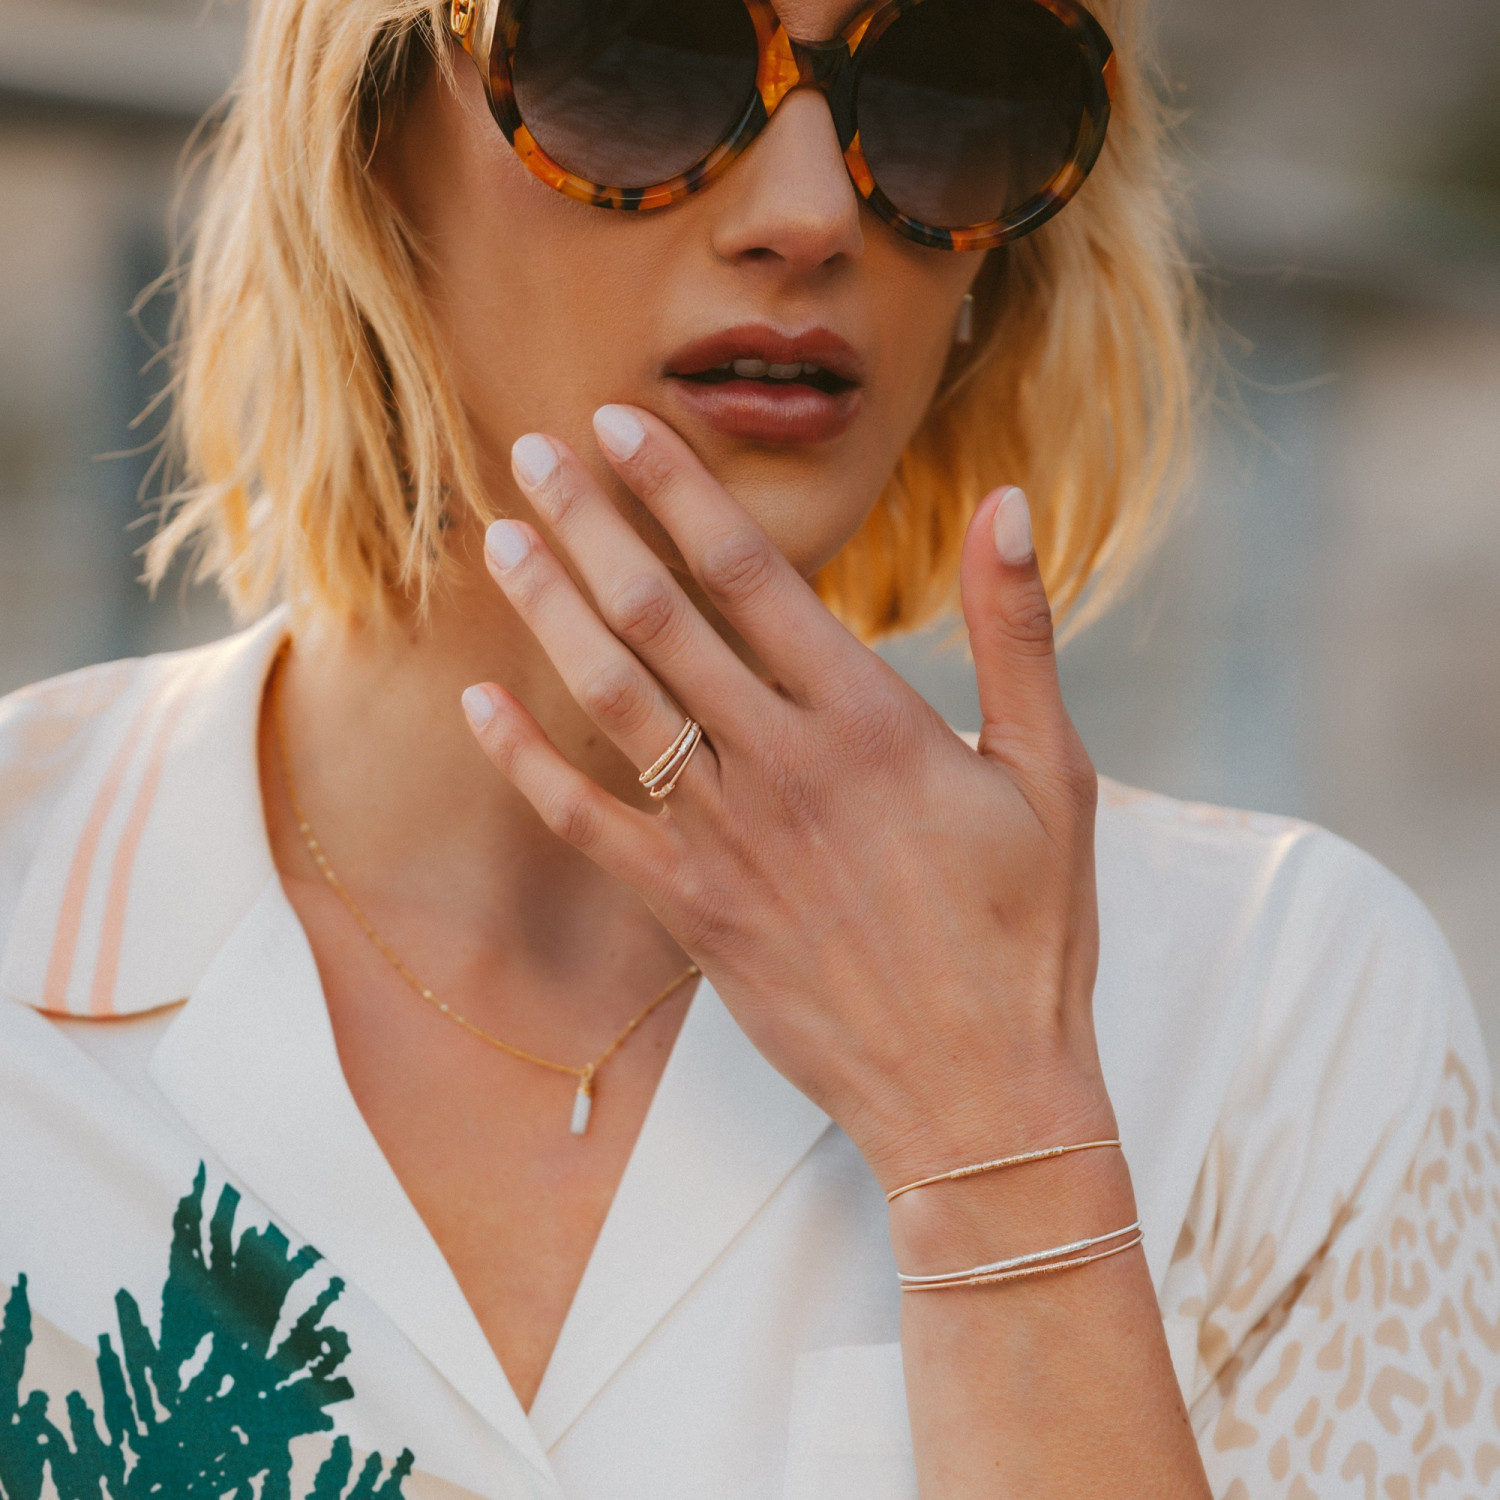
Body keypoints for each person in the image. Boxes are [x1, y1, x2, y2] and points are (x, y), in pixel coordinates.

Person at [0, 0, 1495, 1495]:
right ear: (369, 146)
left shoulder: (1287, 1017)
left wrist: (1004, 1162)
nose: (811, 213)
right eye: (635, 55)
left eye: (948, 85)